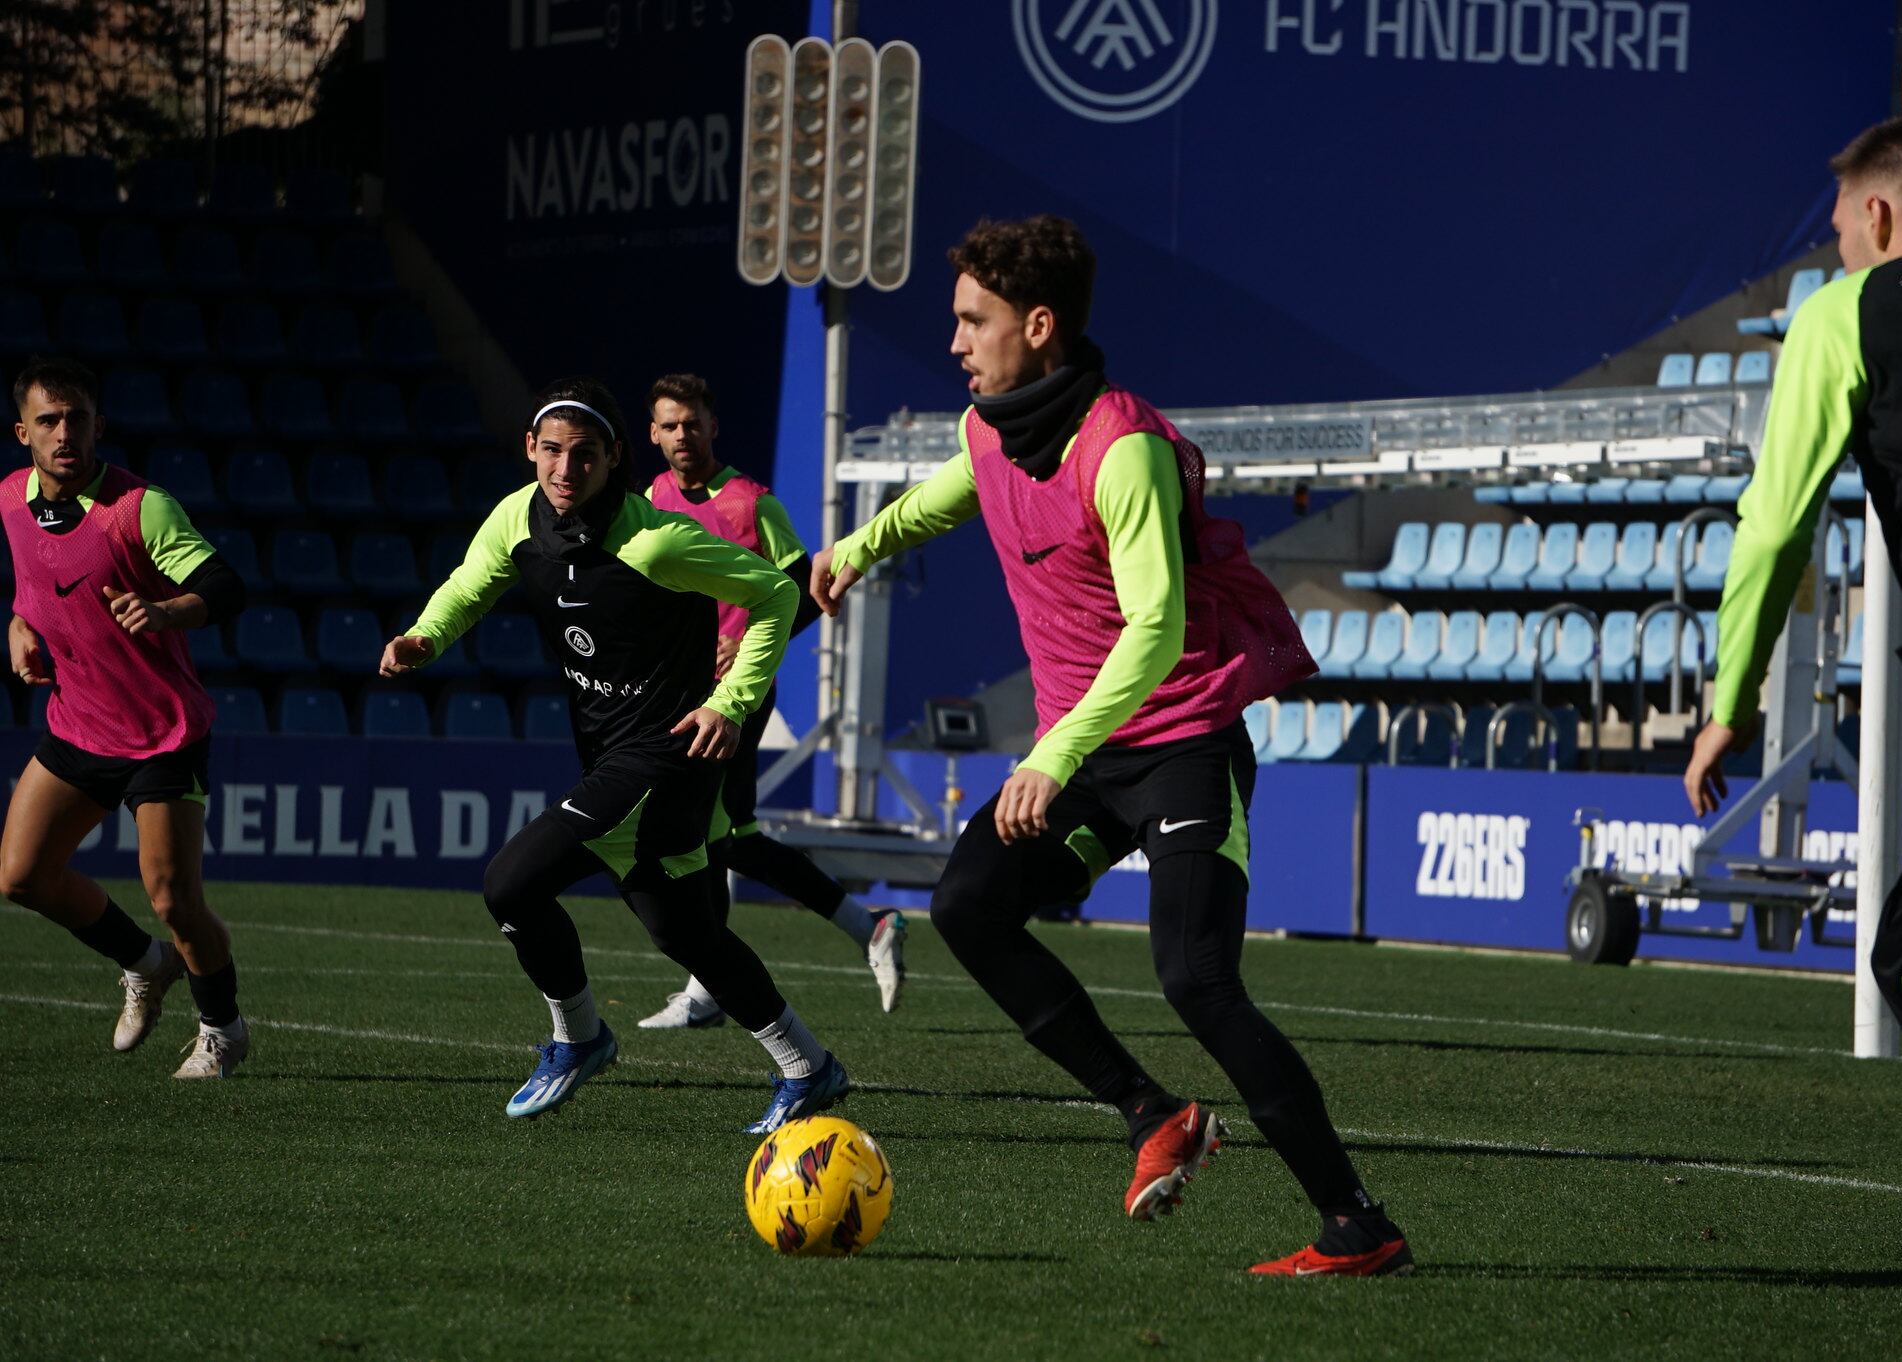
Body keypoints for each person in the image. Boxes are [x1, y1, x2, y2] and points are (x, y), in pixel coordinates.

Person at [812, 216, 1413, 1277]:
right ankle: (1150, 1111)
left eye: (971, 320)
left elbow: (1158, 628)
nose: (954, 342)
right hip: (1087, 756)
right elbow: (940, 503)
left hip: (1181, 746)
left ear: (1036, 326)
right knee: (967, 904)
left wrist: (1049, 753)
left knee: (1196, 981)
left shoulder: (1120, 446)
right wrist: (852, 551)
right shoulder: (985, 428)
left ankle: (1355, 1223)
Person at [1683, 114, 1902, 1354]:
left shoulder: (1846, 316)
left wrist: (1727, 700)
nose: (1835, 240)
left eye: (1840, 221)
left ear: (1879, 218)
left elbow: (1773, 524)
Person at [381, 377, 850, 1132]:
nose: (567, 470)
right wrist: (426, 636)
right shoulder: (517, 519)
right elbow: (471, 584)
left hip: (667, 755)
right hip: (611, 757)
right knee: (686, 933)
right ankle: (809, 1065)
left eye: (585, 454)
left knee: (511, 883)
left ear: (614, 459)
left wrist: (730, 705)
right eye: (553, 451)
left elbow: (777, 595)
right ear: (530, 450)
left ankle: (579, 1040)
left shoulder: (654, 539)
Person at [0, 357, 249, 1078]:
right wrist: (18, 626)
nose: (65, 432)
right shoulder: (13, 500)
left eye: (77, 418)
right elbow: (34, 581)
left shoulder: (141, 508)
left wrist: (166, 608)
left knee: (175, 899)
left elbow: (225, 586)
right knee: (20, 877)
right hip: (77, 726)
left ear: (98, 426)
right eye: (48, 420)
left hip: (160, 735)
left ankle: (224, 1029)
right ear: (24, 433)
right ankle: (145, 964)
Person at [636, 372, 908, 1028]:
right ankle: (850, 932)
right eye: (669, 425)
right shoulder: (651, 498)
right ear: (653, 432)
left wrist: (742, 643)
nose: (682, 435)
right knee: (720, 837)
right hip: (685, 694)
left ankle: (720, 984)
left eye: (692, 423)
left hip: (742, 693)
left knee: (718, 835)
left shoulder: (753, 503)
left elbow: (803, 594)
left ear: (713, 426)